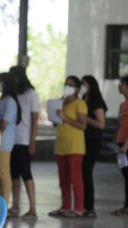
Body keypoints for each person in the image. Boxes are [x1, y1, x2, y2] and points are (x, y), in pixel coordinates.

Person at [49, 75, 87, 218]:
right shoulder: (61, 102)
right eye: (66, 84)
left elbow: (82, 125)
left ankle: (78, 208)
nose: (67, 87)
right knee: (63, 178)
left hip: (75, 146)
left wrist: (65, 117)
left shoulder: (80, 103)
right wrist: (56, 115)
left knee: (75, 178)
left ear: (77, 88)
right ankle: (65, 206)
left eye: (71, 85)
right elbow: (55, 123)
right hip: (61, 145)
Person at [8, 65, 40, 218]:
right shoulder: (13, 94)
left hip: (24, 140)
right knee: (14, 174)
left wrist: (32, 141)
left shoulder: (31, 94)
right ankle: (15, 206)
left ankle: (32, 208)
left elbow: (35, 119)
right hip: (11, 139)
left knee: (26, 173)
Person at [80, 75, 108, 217]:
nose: (81, 86)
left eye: (84, 84)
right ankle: (82, 205)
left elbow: (101, 124)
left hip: (93, 141)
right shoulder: (83, 100)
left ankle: (89, 207)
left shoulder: (96, 102)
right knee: (81, 173)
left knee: (86, 172)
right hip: (82, 140)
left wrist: (87, 119)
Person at [0, 72, 21, 205]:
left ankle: (5, 203)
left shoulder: (10, 101)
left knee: (3, 173)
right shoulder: (3, 99)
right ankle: (1, 201)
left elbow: (4, 123)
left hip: (4, 142)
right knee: (0, 173)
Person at [112, 75, 128, 216]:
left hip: (126, 146)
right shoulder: (122, 105)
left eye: (121, 84)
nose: (119, 86)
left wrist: (126, 145)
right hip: (121, 144)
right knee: (125, 175)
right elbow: (120, 125)